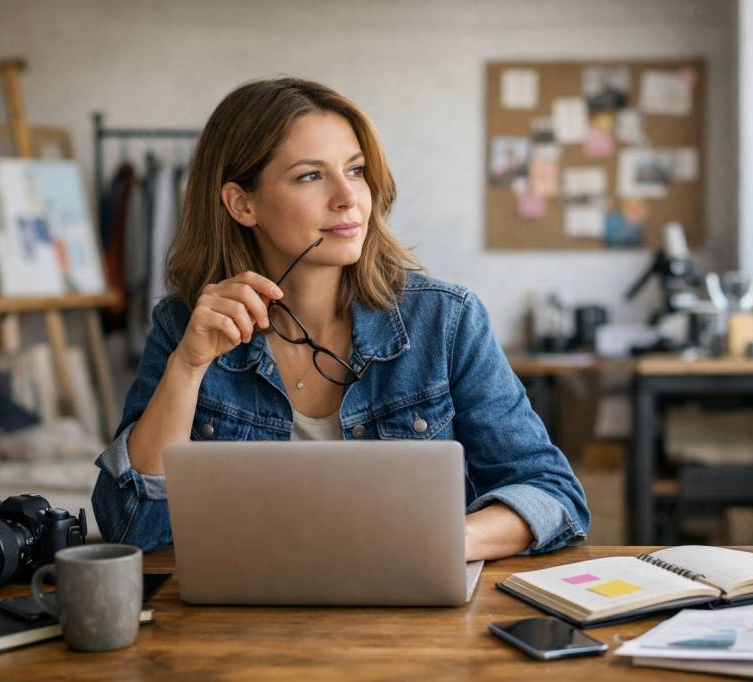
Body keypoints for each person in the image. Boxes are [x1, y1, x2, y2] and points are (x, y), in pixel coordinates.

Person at [92, 77, 589, 560]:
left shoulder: (445, 319)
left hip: (410, 616)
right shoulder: (185, 327)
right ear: (242, 204)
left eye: (354, 170)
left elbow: (552, 494)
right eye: (311, 175)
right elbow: (132, 528)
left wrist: (447, 541)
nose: (348, 197)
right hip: (240, 623)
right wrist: (188, 367)